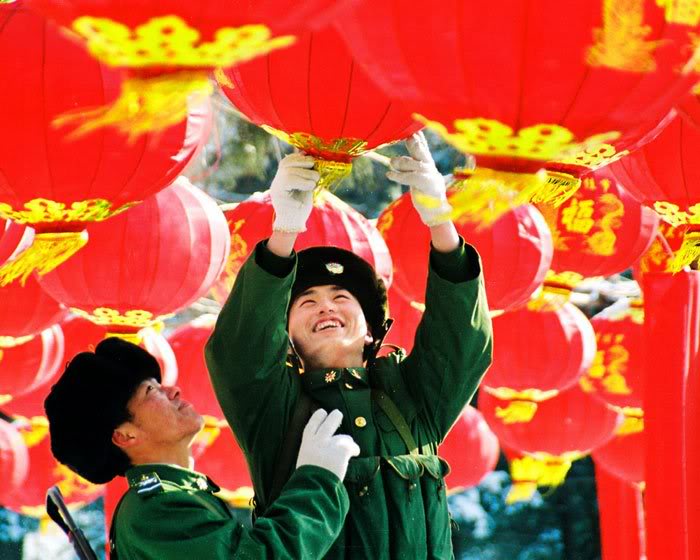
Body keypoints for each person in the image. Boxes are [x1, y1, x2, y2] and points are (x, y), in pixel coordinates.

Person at [206, 131, 493, 559]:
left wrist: (440, 220)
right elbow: (240, 351)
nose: (326, 307)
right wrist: (284, 231)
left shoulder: (414, 399)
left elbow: (461, 339)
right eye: (307, 301)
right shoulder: (273, 410)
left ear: (372, 330)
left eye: (341, 297)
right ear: (287, 339)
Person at [44, 337, 360, 559]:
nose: (173, 390)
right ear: (125, 436)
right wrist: (318, 479)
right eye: (151, 391)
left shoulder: (171, 498)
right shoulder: (156, 512)